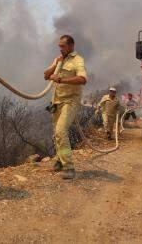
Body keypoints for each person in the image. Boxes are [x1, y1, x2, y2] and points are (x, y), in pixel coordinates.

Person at [43, 35, 88, 180]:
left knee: (61, 130)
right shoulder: (58, 60)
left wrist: (61, 79)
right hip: (56, 102)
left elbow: (83, 79)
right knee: (56, 132)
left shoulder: (78, 60)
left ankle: (69, 167)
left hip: (70, 102)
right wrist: (55, 64)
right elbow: (45, 75)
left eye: (63, 46)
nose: (60, 48)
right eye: (59, 46)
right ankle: (59, 160)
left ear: (71, 46)